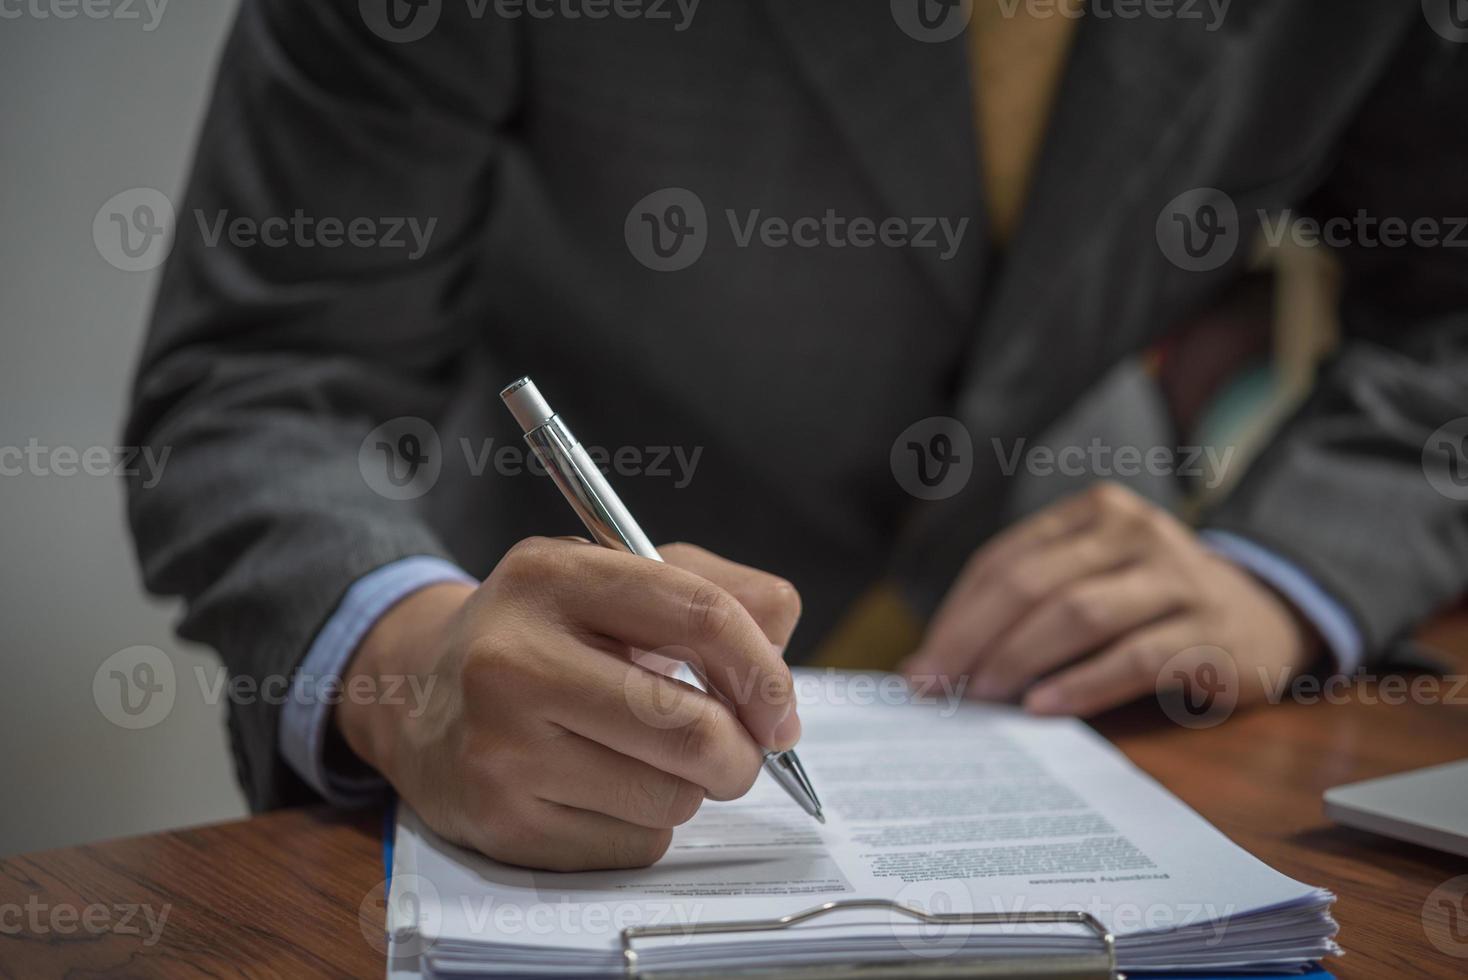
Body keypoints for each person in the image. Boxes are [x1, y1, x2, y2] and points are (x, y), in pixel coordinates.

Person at [125, 0, 1468, 871]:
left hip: (1111, 682)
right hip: (538, 678)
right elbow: (268, 373)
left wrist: (1286, 573)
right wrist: (407, 663)